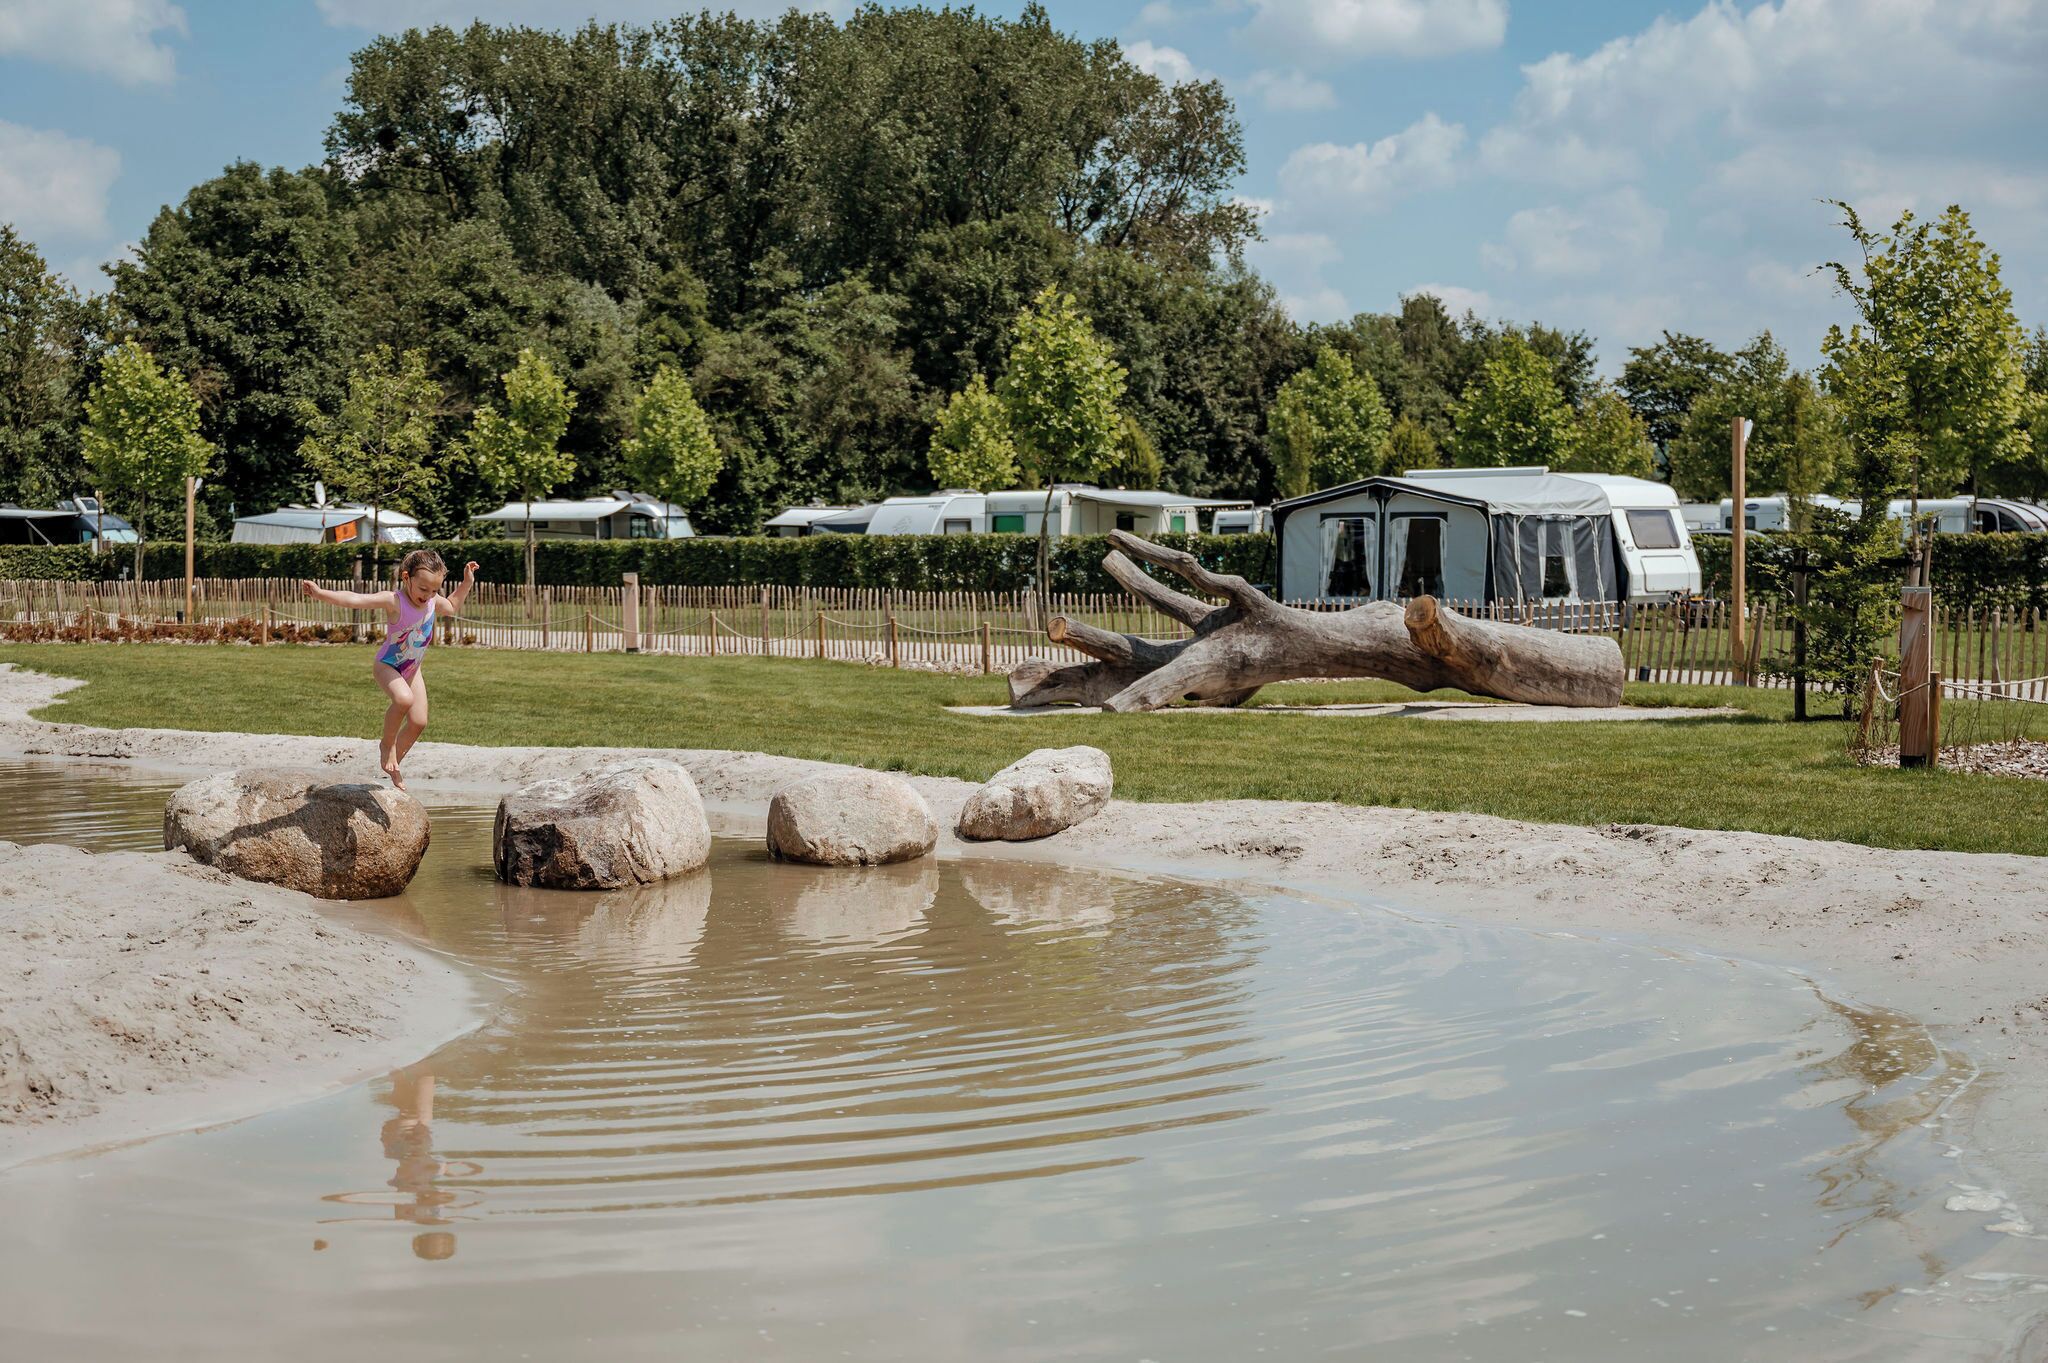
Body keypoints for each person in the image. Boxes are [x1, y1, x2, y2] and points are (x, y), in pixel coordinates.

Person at [301, 550, 478, 788]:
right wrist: (320, 593)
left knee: (419, 722)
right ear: (406, 578)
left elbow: (453, 606)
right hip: (387, 665)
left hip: (412, 670)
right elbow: (355, 599)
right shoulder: (394, 601)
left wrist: (467, 582)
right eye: (423, 589)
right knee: (403, 700)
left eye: (434, 590)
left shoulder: (432, 601)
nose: (428, 595)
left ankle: (393, 766)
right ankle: (387, 745)